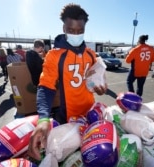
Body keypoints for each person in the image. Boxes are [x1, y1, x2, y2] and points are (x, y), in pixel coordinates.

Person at [28, 3, 107, 161]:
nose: (76, 34)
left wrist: (100, 87)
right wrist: (43, 119)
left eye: (80, 31)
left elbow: (95, 79)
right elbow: (45, 87)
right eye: (71, 30)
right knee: (68, 157)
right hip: (67, 118)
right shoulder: (54, 55)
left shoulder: (91, 54)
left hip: (91, 115)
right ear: (64, 29)